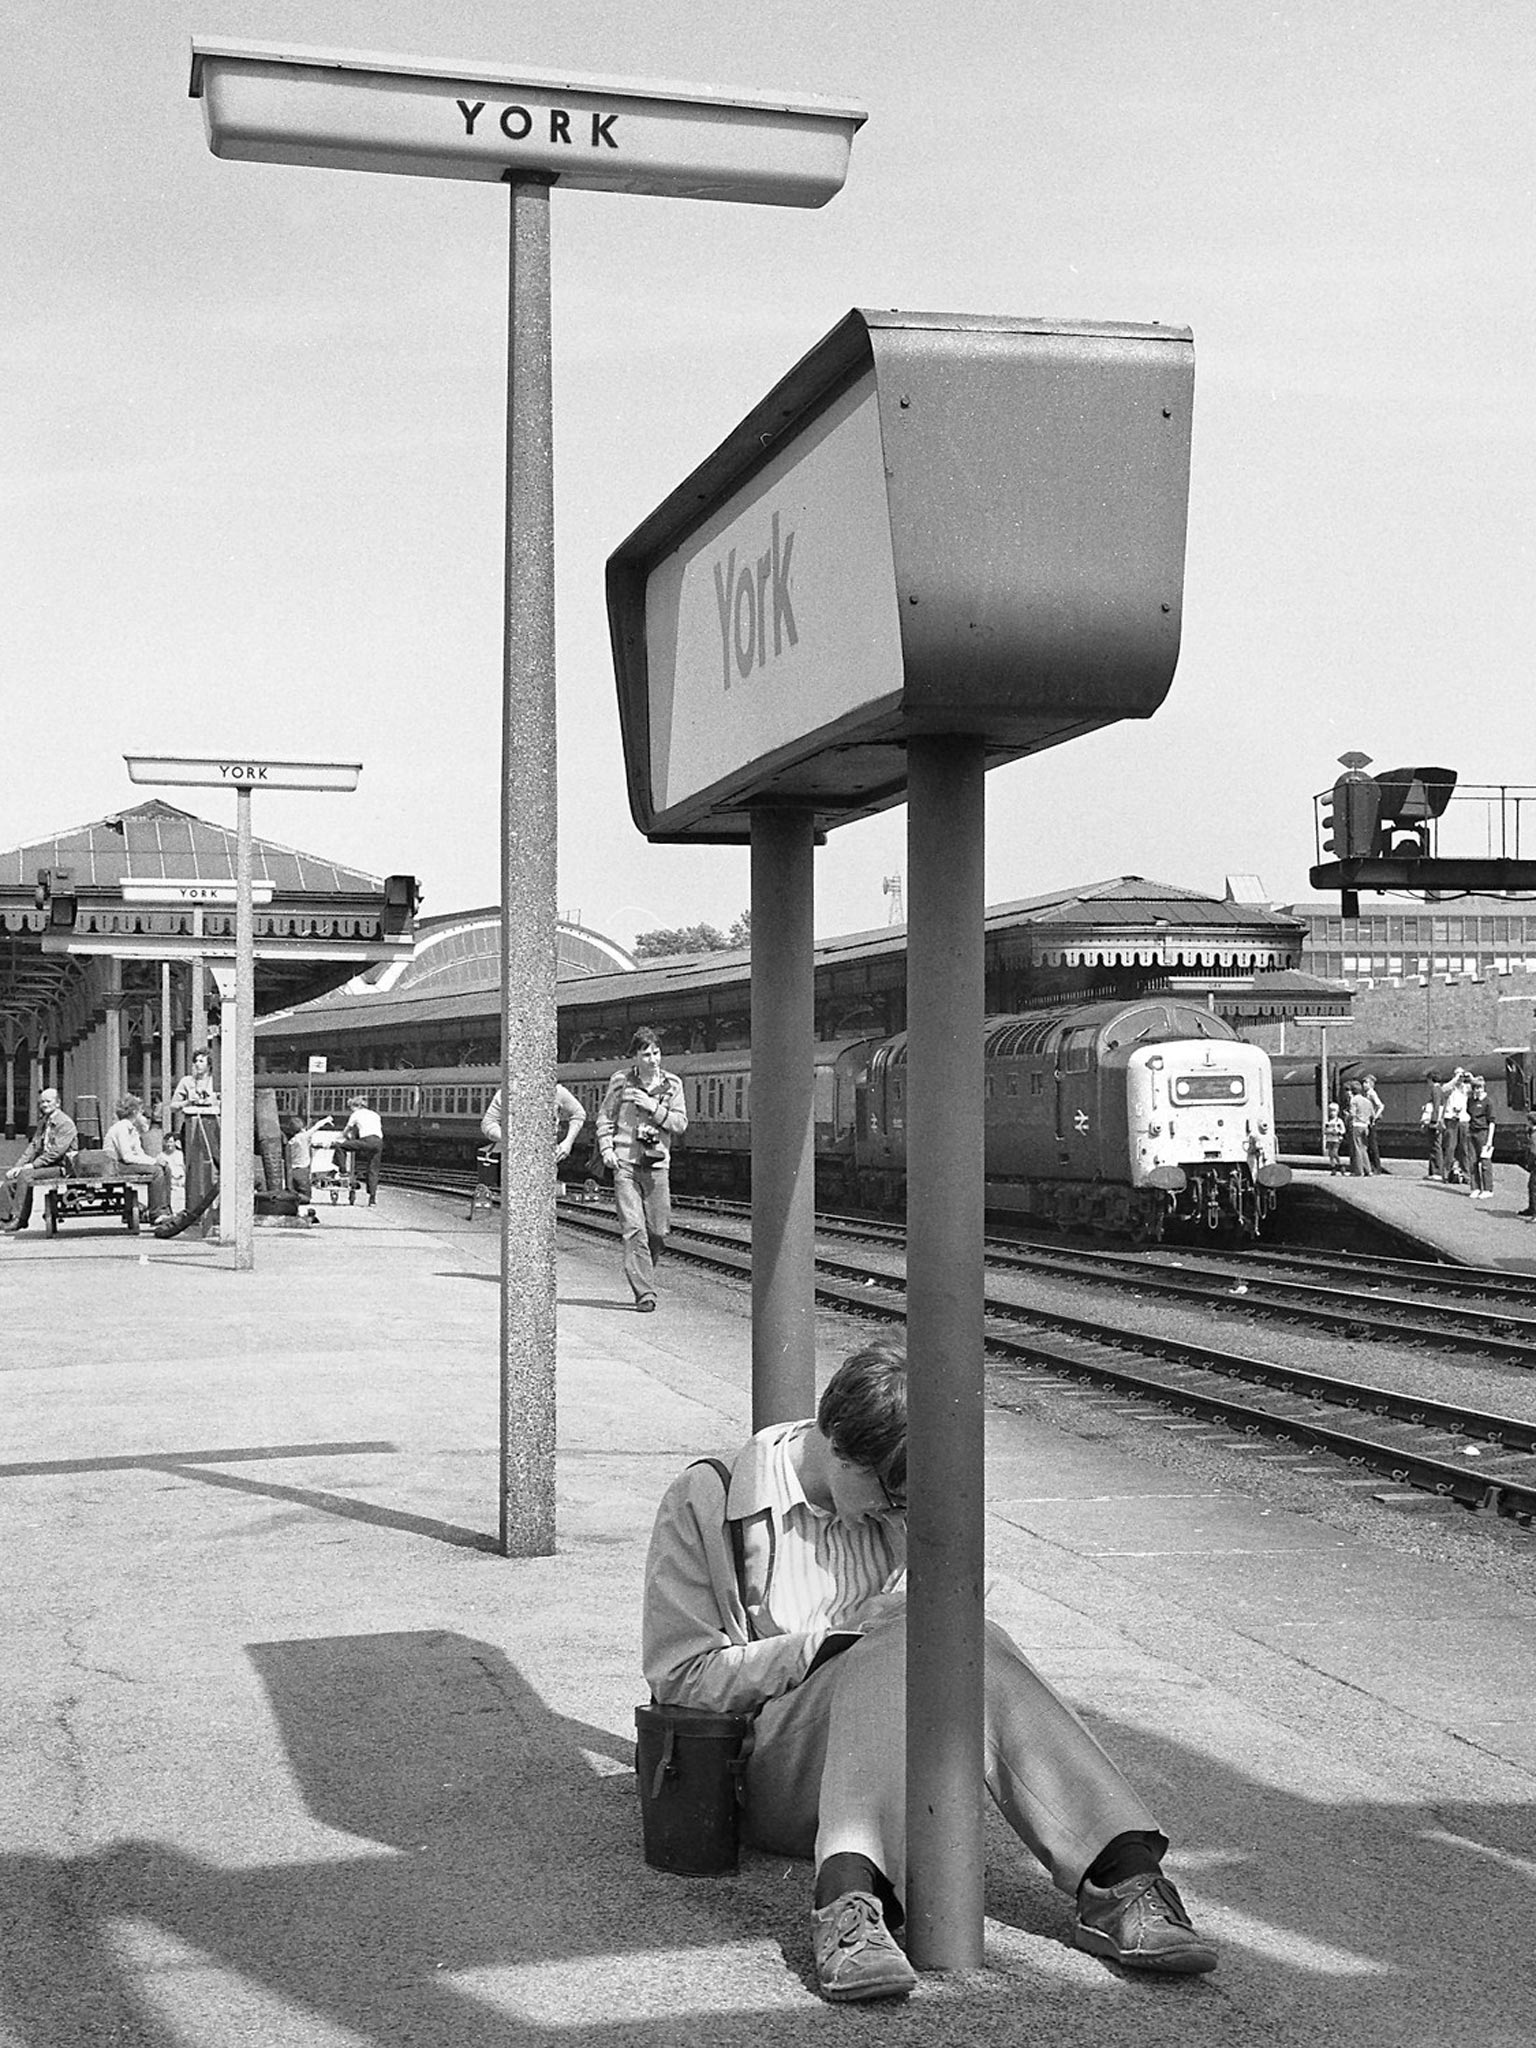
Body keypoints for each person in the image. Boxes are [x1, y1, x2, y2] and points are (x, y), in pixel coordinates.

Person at [643, 1343, 1217, 2003]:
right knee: (902, 1639)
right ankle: (853, 1897)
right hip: (772, 1772)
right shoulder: (707, 1499)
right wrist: (830, 1644)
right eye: (890, 1498)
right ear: (835, 1442)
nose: (896, 1518)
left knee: (959, 1634)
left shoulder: (899, 1504)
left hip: (892, 1761)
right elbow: (679, 1676)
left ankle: (1123, 1871)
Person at [595, 1028, 687, 1312]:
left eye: (656, 1053)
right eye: (646, 1054)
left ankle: (643, 1269)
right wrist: (607, 1148)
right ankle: (645, 1293)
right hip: (625, 1163)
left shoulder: (673, 1084)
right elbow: (605, 1118)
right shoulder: (621, 1081)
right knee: (633, 1229)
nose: (652, 1059)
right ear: (635, 1055)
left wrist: (653, 1108)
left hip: (658, 1165)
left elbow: (680, 1124)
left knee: (658, 1231)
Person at [1, 1086, 78, 1233]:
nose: (44, 1105)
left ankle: (20, 1219)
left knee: (26, 1175)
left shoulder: (65, 1123)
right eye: (42, 1102)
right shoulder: (44, 1122)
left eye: (48, 1101)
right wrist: (17, 1167)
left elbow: (56, 1153)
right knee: (11, 1179)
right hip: (46, 1166)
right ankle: (3, 1217)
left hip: (62, 1167)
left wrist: (33, 1166)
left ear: (58, 1103)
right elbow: (33, 1147)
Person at [101, 1095, 173, 1224]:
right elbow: (127, 1157)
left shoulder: (132, 1129)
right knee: (156, 1172)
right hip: (116, 1165)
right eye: (141, 1112)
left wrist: (155, 1160)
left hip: (123, 1163)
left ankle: (165, 1210)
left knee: (165, 1168)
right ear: (134, 1112)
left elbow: (139, 1154)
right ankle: (155, 1213)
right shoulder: (122, 1128)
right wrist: (153, 1163)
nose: (143, 1116)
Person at [480, 1084, 587, 1169]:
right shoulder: (504, 1094)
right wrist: (508, 1138)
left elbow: (578, 1113)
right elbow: (488, 1123)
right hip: (514, 1159)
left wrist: (568, 1142)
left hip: (547, 1158)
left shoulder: (557, 1092)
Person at [169, 1050, 221, 1181]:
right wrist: (188, 1101)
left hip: (212, 1123)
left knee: (217, 1159)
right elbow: (173, 1106)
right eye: (195, 1061)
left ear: (209, 1065)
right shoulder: (186, 1081)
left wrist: (213, 1101)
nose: (197, 1064)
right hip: (191, 1125)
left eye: (201, 1061)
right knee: (192, 1162)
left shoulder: (216, 1081)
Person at [334, 1097, 384, 1206]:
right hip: (378, 1142)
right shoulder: (375, 1114)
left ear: (355, 1106)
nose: (351, 1110)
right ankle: (372, 1199)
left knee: (340, 1147)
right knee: (373, 1170)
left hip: (366, 1140)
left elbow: (346, 1131)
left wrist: (340, 1138)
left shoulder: (356, 1114)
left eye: (351, 1107)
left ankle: (343, 1171)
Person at [1466, 1077, 1496, 1199]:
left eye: (1479, 1088)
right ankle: (1475, 1187)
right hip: (1471, 1132)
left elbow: (1492, 1122)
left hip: (1483, 1132)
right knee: (1472, 1161)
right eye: (1475, 1088)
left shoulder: (1488, 1102)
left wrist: (1489, 1139)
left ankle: (1488, 1189)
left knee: (1485, 1162)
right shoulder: (1470, 1101)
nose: (1477, 1090)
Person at [1344, 1082, 1373, 1177]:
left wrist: (1347, 1117)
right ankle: (1368, 1170)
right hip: (1365, 1126)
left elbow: (1352, 1114)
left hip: (1356, 1125)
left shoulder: (1354, 1100)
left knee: (1356, 1148)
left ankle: (1359, 1171)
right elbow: (1372, 1114)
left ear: (1352, 1091)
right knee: (1364, 1148)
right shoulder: (1367, 1101)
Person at [1360, 1074, 1386, 1173]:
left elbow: (1380, 1105)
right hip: (1367, 1120)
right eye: (1363, 1083)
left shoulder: (1372, 1094)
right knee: (1368, 1143)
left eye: (1366, 1083)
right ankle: (1371, 1165)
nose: (1364, 1085)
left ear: (1371, 1084)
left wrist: (1375, 1116)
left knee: (1372, 1144)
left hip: (1372, 1120)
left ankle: (1376, 1166)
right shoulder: (1365, 1094)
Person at [160, 1129, 187, 1216]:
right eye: (167, 1142)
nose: (169, 1144)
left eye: (171, 1142)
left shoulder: (180, 1154)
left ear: (175, 1143)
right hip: (170, 1180)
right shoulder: (162, 1155)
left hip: (180, 1180)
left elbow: (183, 1167)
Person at [1323, 1100, 1346, 1174]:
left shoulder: (1339, 1121)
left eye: (1334, 1111)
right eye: (1330, 1111)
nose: (1332, 1113)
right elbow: (1324, 1130)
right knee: (1330, 1154)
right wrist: (1327, 1132)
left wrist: (1338, 1132)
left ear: (1337, 1112)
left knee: (1335, 1153)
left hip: (1336, 1139)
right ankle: (1333, 1168)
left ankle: (1340, 1165)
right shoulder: (1328, 1121)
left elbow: (1343, 1130)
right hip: (1329, 1139)